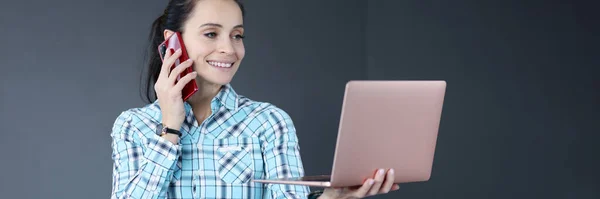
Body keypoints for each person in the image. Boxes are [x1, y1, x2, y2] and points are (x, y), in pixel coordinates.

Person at [110, 0, 399, 198]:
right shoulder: (133, 126)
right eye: (211, 33)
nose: (229, 48)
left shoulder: (269, 122)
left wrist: (332, 197)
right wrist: (170, 128)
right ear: (173, 41)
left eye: (237, 35)